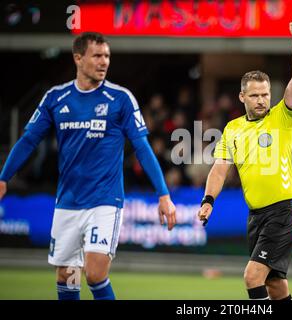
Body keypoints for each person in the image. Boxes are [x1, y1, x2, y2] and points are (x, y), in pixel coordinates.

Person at [0, 32, 177, 300]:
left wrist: (163, 194)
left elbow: (142, 148)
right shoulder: (56, 98)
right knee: (67, 276)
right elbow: (28, 141)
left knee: (94, 273)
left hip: (104, 201)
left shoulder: (120, 99)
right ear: (78, 58)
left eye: (107, 56)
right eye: (97, 55)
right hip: (68, 202)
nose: (104, 61)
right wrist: (3, 177)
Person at [197, 7, 292, 300]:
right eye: (255, 95)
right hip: (256, 216)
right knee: (274, 284)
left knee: (252, 276)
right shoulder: (233, 128)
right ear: (242, 97)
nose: (262, 100)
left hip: (284, 211)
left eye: (265, 94)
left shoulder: (282, 117)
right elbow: (220, 168)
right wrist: (209, 200)